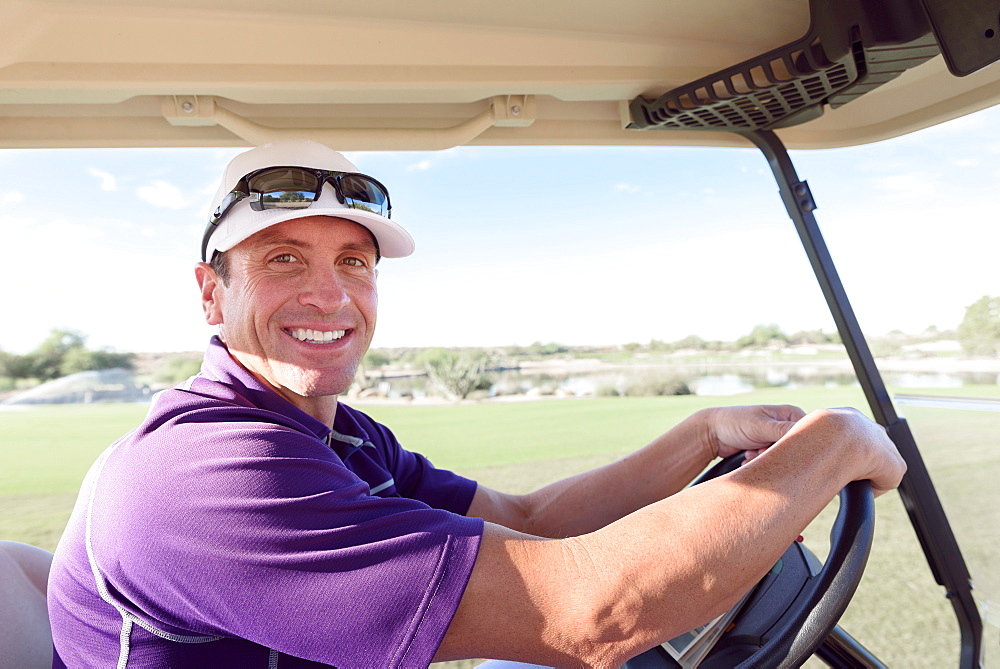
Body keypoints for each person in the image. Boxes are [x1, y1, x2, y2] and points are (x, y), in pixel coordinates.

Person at [47, 139, 906, 668]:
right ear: (211, 293)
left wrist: (703, 432)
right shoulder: (206, 475)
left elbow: (533, 517)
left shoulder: (338, 439)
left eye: (354, 261)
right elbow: (588, 615)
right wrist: (837, 442)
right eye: (282, 260)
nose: (330, 295)